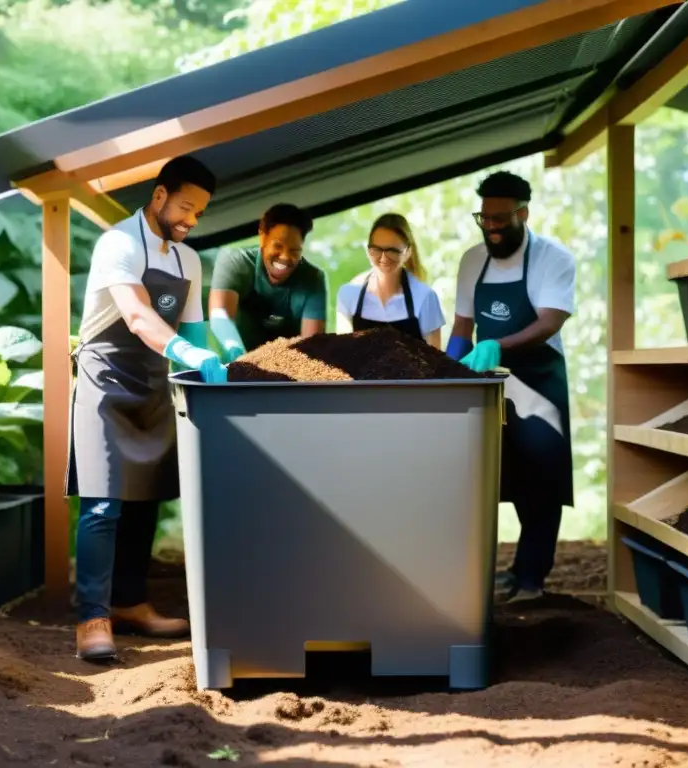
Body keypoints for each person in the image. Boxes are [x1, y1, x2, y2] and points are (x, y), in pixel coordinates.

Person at [66, 155, 226, 661]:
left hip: (155, 381)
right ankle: (92, 617)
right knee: (102, 502)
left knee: (144, 502)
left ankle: (131, 604)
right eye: (185, 207)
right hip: (106, 376)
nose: (191, 220)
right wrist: (186, 352)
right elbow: (136, 315)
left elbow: (196, 331)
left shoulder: (190, 261)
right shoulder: (118, 243)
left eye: (199, 212)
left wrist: (213, 365)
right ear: (159, 195)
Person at [446, 170, 575, 603]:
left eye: (501, 218)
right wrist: (448, 370)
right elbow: (463, 326)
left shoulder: (553, 259)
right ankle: (502, 572)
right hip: (490, 383)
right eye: (484, 219)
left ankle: (532, 578)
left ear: (523, 213)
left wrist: (497, 343)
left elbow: (549, 322)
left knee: (541, 471)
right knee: (494, 475)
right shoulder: (471, 261)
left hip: (539, 379)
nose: (492, 227)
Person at [208, 203, 327, 360]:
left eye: (294, 251)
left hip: (289, 366)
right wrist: (236, 352)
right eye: (278, 246)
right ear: (262, 237)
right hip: (235, 361)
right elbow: (219, 315)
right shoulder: (235, 261)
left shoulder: (313, 279)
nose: (285, 257)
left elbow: (312, 345)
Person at [335, 212, 445, 347]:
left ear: (408, 252)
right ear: (368, 250)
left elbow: (436, 362)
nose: (383, 258)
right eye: (376, 249)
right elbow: (341, 355)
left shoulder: (425, 298)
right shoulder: (349, 293)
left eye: (392, 251)